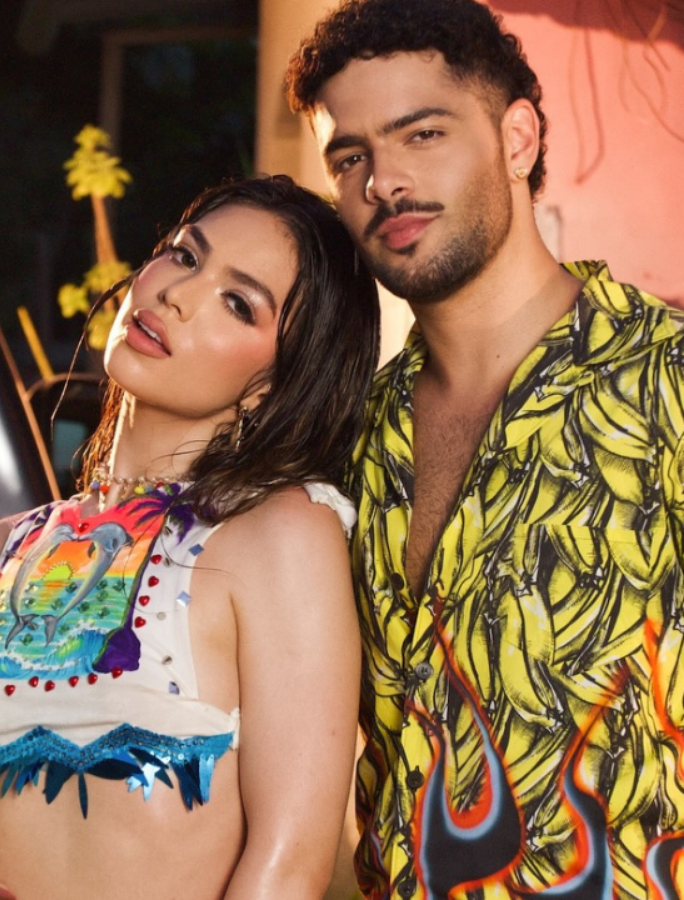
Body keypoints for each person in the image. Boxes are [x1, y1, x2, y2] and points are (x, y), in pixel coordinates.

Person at [0, 175, 380, 900]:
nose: (177, 293)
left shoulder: (281, 535)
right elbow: (20, 806)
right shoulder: (6, 549)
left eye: (238, 302)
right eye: (185, 255)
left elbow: (288, 867)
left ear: (276, 383)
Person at [285, 0, 684, 896]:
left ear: (517, 138)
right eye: (350, 158)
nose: (384, 181)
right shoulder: (352, 439)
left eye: (422, 134)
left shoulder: (668, 383)